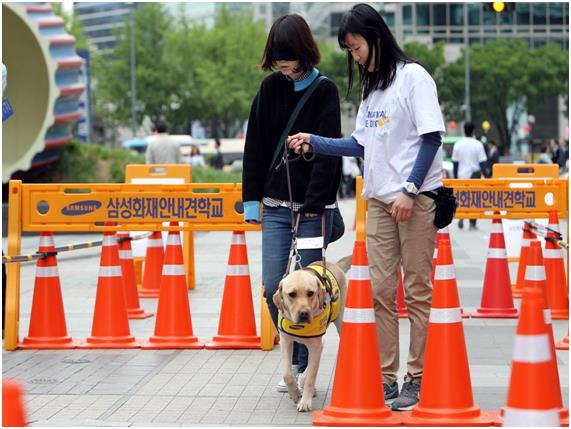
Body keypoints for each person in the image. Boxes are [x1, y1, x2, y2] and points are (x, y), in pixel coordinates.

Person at [287, 3, 444, 410]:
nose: (354, 56)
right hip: (377, 200)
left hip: (415, 198)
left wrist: (410, 190)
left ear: (374, 38)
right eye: (350, 50)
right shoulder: (372, 88)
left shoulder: (414, 78)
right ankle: (387, 377)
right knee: (378, 291)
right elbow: (359, 144)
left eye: (355, 47)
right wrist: (314, 140)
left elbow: (431, 138)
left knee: (417, 289)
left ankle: (418, 375)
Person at [242, 13, 342, 393]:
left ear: (304, 51)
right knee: (274, 287)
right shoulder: (269, 89)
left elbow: (329, 155)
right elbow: (255, 148)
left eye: (288, 55)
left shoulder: (325, 91)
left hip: (313, 211)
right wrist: (251, 200)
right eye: (276, 56)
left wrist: (315, 205)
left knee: (312, 289)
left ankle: (306, 364)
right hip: (276, 204)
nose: (282, 63)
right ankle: (298, 356)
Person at [451, 121, 487, 230]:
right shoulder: (478, 144)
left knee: (461, 198)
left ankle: (461, 218)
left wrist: (456, 177)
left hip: (462, 176)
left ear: (464, 130)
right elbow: (482, 163)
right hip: (474, 176)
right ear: (473, 131)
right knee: (474, 199)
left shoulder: (458, 144)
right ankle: (472, 222)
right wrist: (486, 175)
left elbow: (455, 163)